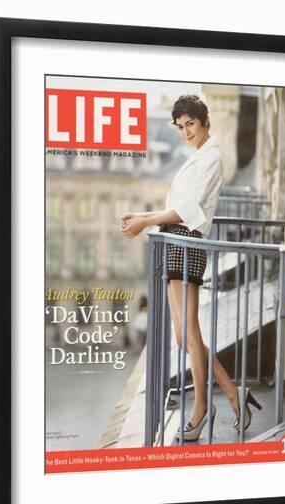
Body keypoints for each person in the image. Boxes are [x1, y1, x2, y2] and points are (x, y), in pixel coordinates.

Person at [121, 94, 261, 441]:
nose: (185, 132)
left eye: (190, 125)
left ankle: (202, 408)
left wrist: (144, 220)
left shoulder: (211, 157)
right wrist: (142, 217)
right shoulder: (200, 156)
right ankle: (231, 392)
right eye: (180, 127)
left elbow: (186, 212)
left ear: (205, 121)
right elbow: (177, 208)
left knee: (191, 334)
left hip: (186, 245)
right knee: (184, 336)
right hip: (176, 243)